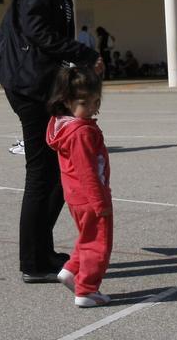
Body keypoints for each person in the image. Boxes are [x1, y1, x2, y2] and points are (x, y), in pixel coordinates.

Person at [0, 0, 103, 285]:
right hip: (29, 83)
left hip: (42, 80)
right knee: (42, 173)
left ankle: (42, 252)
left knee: (54, 172)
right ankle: (33, 261)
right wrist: (83, 53)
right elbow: (37, 28)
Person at [46, 67, 112, 308]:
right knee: (99, 244)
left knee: (87, 238)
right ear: (66, 102)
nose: (92, 108)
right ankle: (86, 289)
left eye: (96, 101)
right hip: (90, 197)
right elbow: (87, 171)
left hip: (76, 196)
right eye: (85, 102)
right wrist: (100, 202)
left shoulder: (63, 125)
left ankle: (71, 270)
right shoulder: (80, 132)